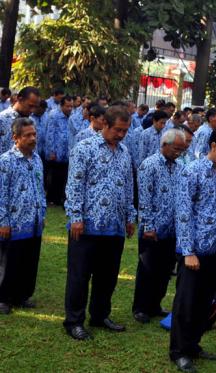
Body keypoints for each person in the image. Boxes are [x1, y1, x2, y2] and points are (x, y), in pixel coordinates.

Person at [170, 126, 216, 372]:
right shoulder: (193, 172)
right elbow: (184, 213)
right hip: (195, 251)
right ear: (213, 147)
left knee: (204, 302)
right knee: (187, 302)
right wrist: (188, 251)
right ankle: (179, 350)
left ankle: (193, 344)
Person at [63, 106, 136, 340]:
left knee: (108, 276)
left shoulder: (125, 151)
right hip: (86, 225)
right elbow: (74, 184)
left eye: (125, 130)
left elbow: (128, 186)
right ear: (104, 123)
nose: (122, 135)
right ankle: (74, 320)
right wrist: (75, 217)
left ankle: (100, 315)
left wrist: (130, 216)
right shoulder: (85, 148)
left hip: (114, 227)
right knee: (79, 276)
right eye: (117, 130)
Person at [132, 129, 187, 323]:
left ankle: (155, 305)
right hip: (152, 229)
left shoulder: (180, 167)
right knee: (148, 269)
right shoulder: (149, 165)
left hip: (172, 230)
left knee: (165, 271)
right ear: (164, 145)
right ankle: (141, 307)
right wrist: (148, 226)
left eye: (182, 149)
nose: (179, 153)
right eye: (176, 148)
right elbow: (144, 199)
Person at [0, 118, 46, 315]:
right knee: (9, 262)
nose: (32, 138)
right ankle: (3, 298)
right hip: (14, 222)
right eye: (27, 135)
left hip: (34, 221)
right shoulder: (6, 161)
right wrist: (3, 222)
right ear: (15, 137)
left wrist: (42, 213)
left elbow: (40, 188)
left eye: (34, 134)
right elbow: (1, 194)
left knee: (29, 261)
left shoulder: (36, 159)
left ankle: (21, 295)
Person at [45, 96, 74, 205]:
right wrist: (51, 151)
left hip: (67, 152)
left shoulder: (71, 116)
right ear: (61, 106)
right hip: (56, 153)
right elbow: (50, 135)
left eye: (71, 106)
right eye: (67, 106)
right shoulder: (54, 115)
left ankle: (61, 198)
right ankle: (52, 198)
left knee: (64, 176)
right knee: (54, 177)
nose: (70, 108)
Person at [0, 87, 40, 154]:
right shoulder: (2, 119)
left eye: (35, 107)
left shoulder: (32, 121)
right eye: (30, 106)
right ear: (19, 98)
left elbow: (34, 149)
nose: (32, 111)